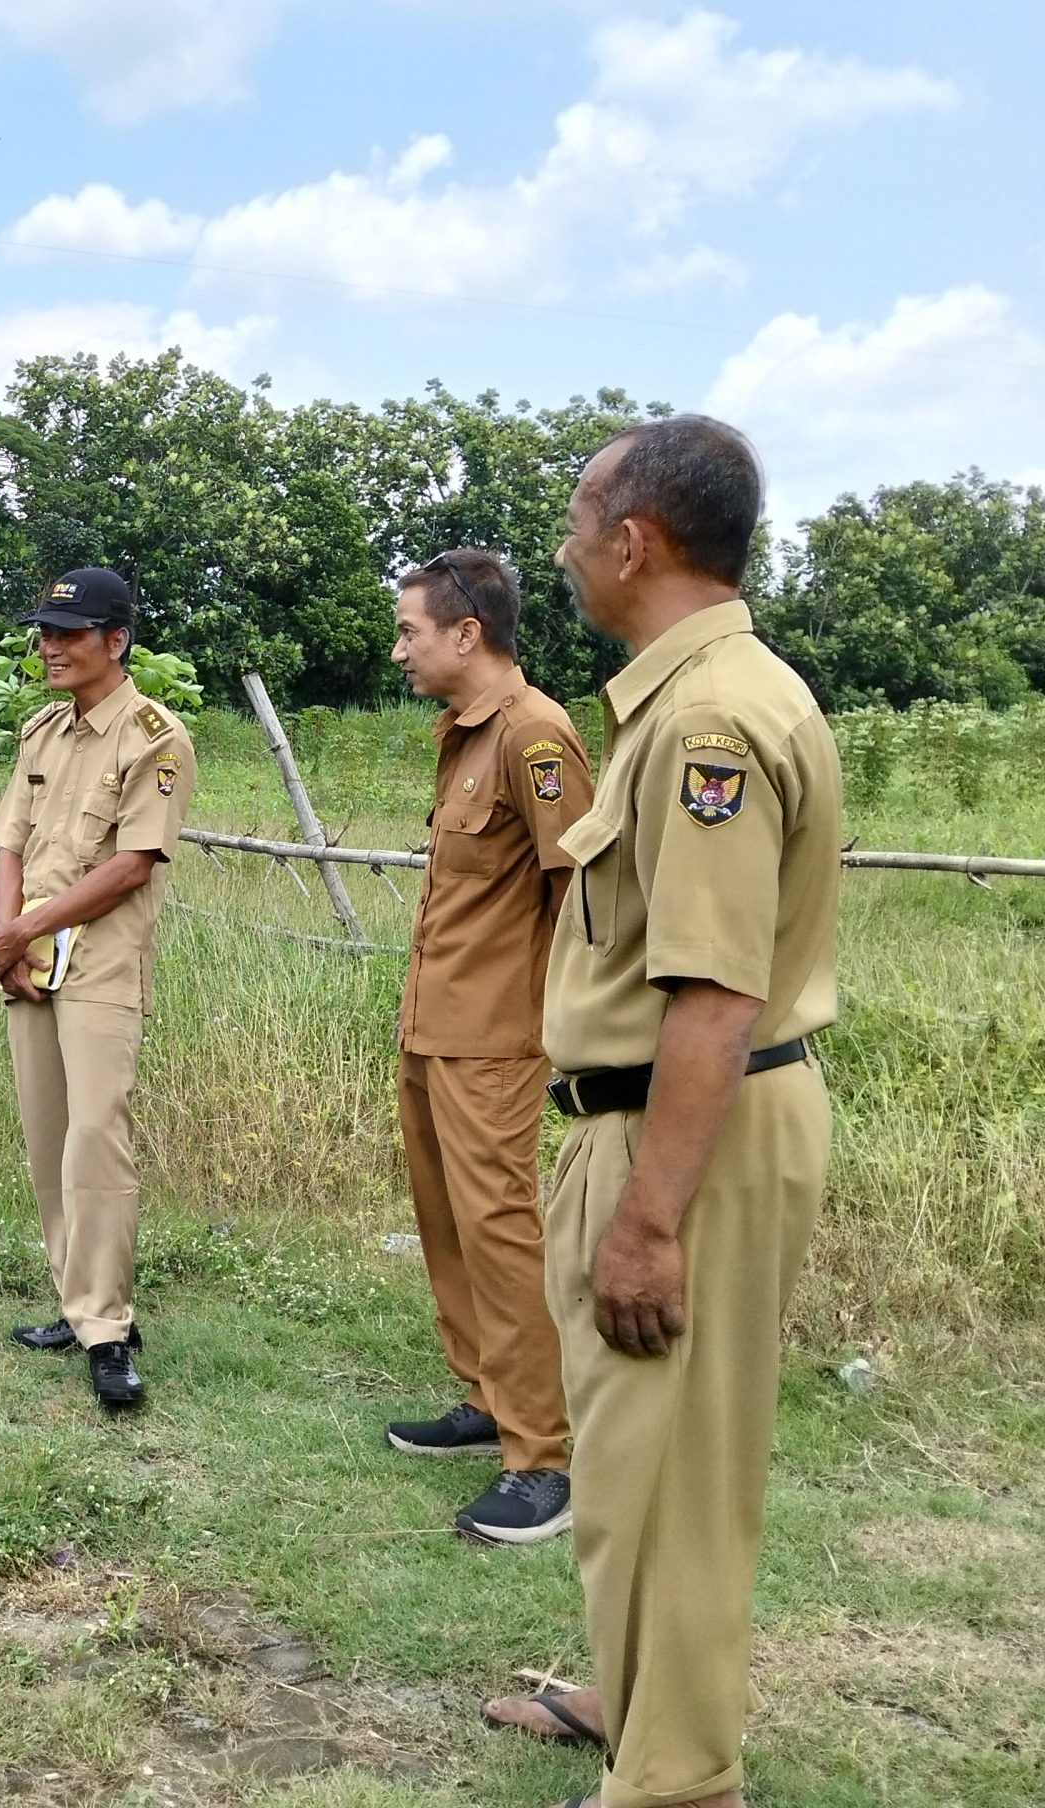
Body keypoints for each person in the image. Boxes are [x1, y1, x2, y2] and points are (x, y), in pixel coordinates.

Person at [482, 416, 841, 1808]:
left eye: (579, 519)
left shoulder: (708, 720)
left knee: (672, 1475)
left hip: (688, 1130)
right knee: (638, 1455)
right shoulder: (694, 693)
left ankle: (680, 1780)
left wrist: (648, 1220)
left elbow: (713, 992)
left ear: (634, 541)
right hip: (668, 1120)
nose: (567, 546)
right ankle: (636, 1701)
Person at [384, 548, 595, 1544]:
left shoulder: (534, 735)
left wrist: (571, 1034)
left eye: (409, 631)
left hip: (496, 1040)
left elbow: (582, 897)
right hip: (435, 1027)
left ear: (466, 633)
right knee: (448, 1224)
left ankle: (540, 1456)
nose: (399, 651)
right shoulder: (464, 733)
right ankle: (485, 1395)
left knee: (500, 1233)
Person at [0, 568, 193, 1410]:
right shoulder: (43, 731)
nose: (50, 647)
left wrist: (23, 930)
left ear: (117, 640)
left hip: (101, 960)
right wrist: (7, 940)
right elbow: (11, 844)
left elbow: (132, 865)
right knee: (48, 1135)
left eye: (69, 634)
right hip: (29, 959)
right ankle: (75, 1301)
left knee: (97, 1137)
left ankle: (107, 1329)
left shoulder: (154, 738)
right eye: (45, 633)